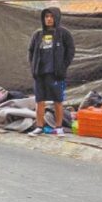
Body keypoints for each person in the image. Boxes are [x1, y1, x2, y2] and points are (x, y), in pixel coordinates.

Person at [27, 7, 75, 137]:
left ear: (57, 18)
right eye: (46, 16)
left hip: (56, 74)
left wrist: (63, 67)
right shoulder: (37, 34)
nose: (49, 19)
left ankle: (59, 128)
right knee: (39, 101)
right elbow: (31, 51)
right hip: (40, 73)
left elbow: (70, 51)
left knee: (58, 100)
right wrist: (33, 67)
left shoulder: (64, 34)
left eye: (51, 16)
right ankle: (39, 127)